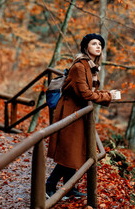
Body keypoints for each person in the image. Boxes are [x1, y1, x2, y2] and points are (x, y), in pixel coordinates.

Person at [46, 33, 113, 200]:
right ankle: (49, 186)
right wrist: (109, 96)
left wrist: (108, 94)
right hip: (70, 111)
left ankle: (69, 188)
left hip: (78, 111)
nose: (98, 46)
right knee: (70, 150)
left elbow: (92, 91)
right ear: (86, 47)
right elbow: (85, 93)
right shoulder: (79, 67)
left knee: (74, 150)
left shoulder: (91, 66)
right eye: (94, 43)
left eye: (100, 44)